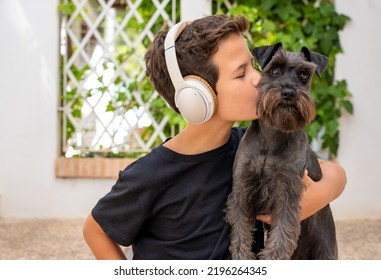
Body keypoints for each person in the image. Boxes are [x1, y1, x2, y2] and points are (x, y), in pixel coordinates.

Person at [83, 14, 346, 260]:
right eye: (242, 73)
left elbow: (332, 172)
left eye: (255, 67)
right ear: (198, 96)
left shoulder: (251, 143)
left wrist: (319, 194)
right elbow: (94, 230)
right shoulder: (151, 173)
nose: (259, 79)